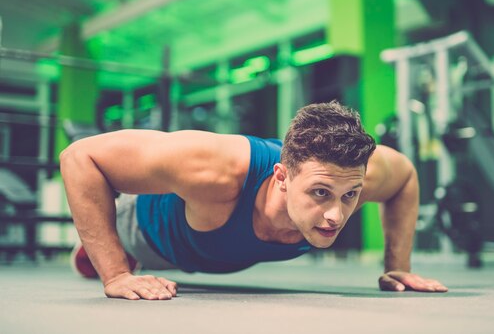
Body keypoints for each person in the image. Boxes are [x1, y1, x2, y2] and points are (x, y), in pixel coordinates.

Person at [60, 101, 447, 300]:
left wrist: (398, 267)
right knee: (106, 176)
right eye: (320, 193)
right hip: (144, 231)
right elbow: (78, 158)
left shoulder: (353, 173)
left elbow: (406, 176)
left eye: (350, 196)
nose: (336, 215)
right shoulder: (216, 168)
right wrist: (116, 274)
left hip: (211, 252)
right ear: (281, 177)